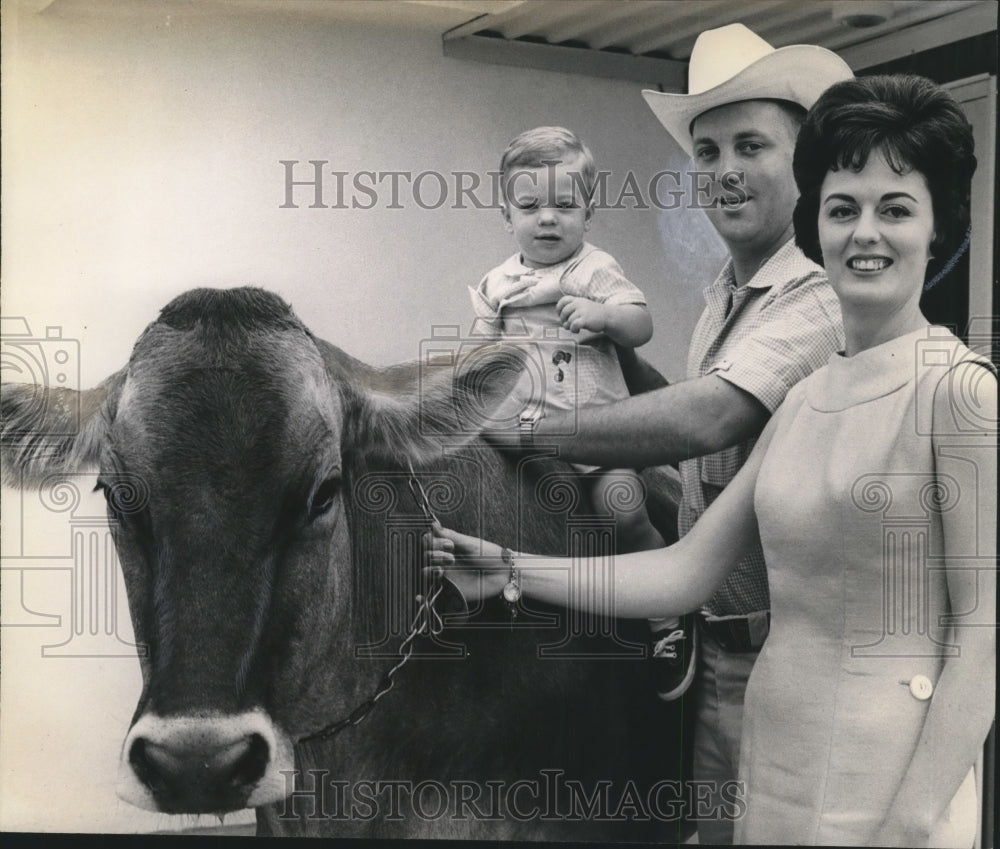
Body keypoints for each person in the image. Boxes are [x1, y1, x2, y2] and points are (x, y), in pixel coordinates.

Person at [429, 74, 996, 846]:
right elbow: (685, 569)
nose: (864, 232)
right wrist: (508, 568)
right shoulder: (804, 397)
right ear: (816, 226)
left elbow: (984, 632)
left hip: (890, 791)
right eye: (841, 209)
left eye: (896, 209)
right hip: (774, 758)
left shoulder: (960, 391)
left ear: (939, 231)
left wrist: (912, 821)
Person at [488, 24, 853, 844]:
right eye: (707, 151)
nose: (723, 171)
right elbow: (682, 406)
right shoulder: (727, 296)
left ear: (806, 162)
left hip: (780, 660)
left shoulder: (817, 294)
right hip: (710, 639)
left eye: (750, 146)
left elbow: (710, 416)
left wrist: (539, 427)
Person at [470, 125, 662, 554]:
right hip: (526, 430)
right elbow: (478, 353)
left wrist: (606, 315)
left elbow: (641, 325)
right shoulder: (498, 282)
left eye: (565, 205)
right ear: (507, 216)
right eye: (530, 206)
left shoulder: (594, 268)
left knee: (624, 514)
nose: (548, 217)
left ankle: (665, 614)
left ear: (588, 214)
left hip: (597, 434)